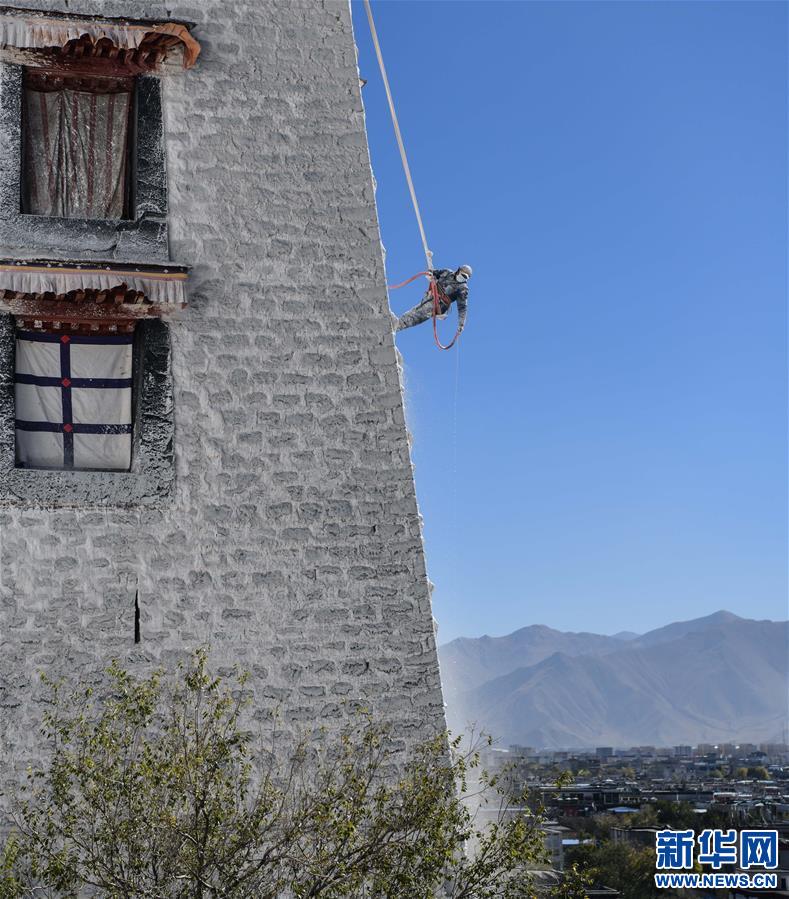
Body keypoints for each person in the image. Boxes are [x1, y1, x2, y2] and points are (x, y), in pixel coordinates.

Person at [395, 265, 472, 333]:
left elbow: (462, 308)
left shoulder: (462, 289)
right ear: (458, 271)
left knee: (418, 315)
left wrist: (461, 324)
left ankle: (397, 327)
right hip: (430, 297)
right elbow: (434, 273)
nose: (464, 278)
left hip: (439, 305)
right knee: (414, 310)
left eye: (466, 278)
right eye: (463, 275)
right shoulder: (447, 273)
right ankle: (396, 323)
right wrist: (430, 274)